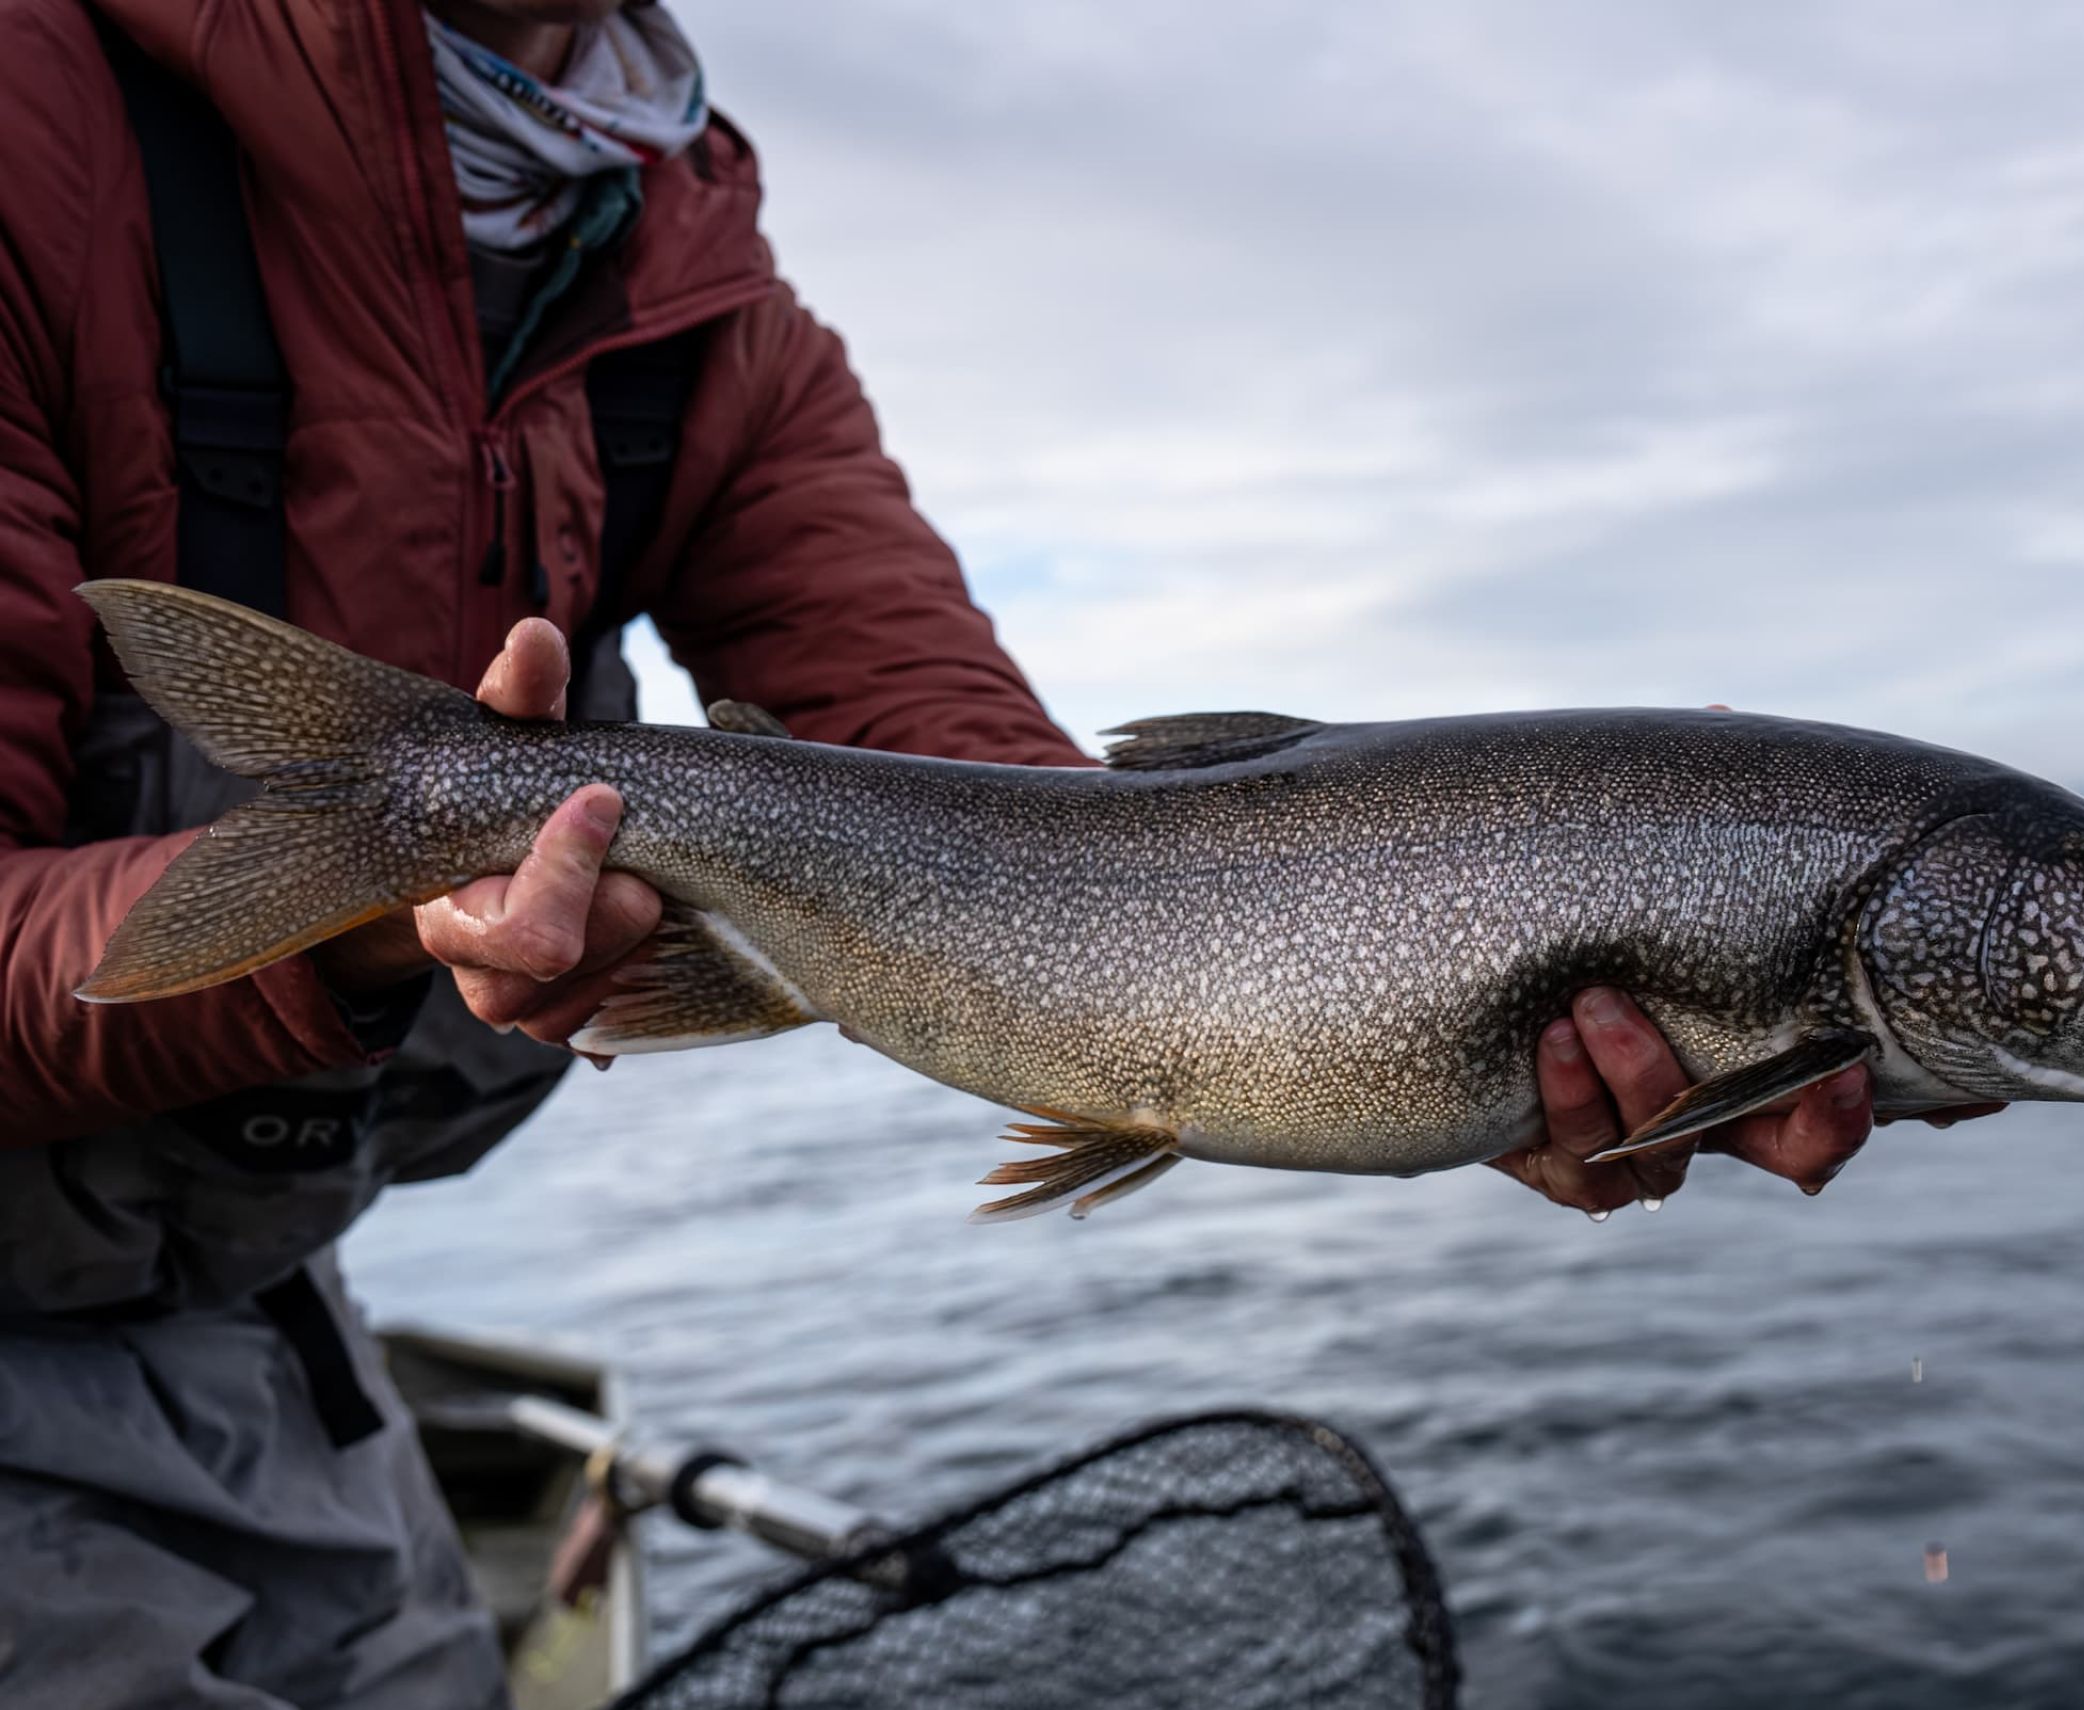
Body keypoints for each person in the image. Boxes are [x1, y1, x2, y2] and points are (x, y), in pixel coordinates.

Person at [0, 1, 1946, 1703]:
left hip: (259, 1326)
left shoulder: (692, 291)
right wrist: (360, 925)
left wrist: (1422, 1009)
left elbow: (999, 806)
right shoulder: (39, 120)